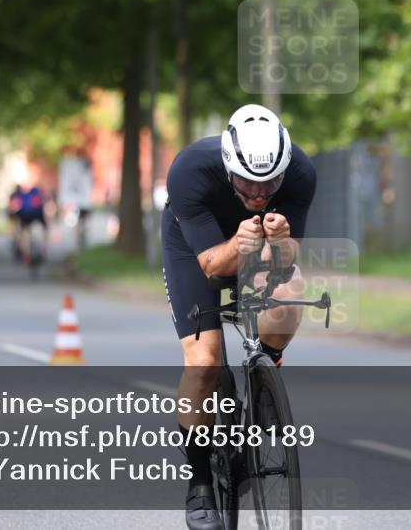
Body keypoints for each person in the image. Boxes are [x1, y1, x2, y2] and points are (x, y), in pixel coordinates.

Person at [161, 104, 316, 530]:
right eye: (248, 181)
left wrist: (281, 243)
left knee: (291, 292)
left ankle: (265, 369)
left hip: (258, 243)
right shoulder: (190, 170)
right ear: (229, 166)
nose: (260, 193)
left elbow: (286, 261)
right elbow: (213, 266)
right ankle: (199, 485)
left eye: (270, 182)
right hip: (195, 250)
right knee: (205, 361)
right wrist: (240, 244)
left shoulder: (301, 172)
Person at [18, 183, 48, 262]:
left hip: (25, 216)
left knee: (24, 233)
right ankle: (42, 250)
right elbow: (44, 209)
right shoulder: (39, 196)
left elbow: (20, 207)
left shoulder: (24, 196)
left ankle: (26, 253)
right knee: (44, 231)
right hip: (38, 215)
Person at [7, 184, 25, 261]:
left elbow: (10, 206)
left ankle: (14, 238)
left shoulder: (12, 195)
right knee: (22, 231)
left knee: (14, 228)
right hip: (21, 215)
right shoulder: (22, 195)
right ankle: (20, 243)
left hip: (13, 215)